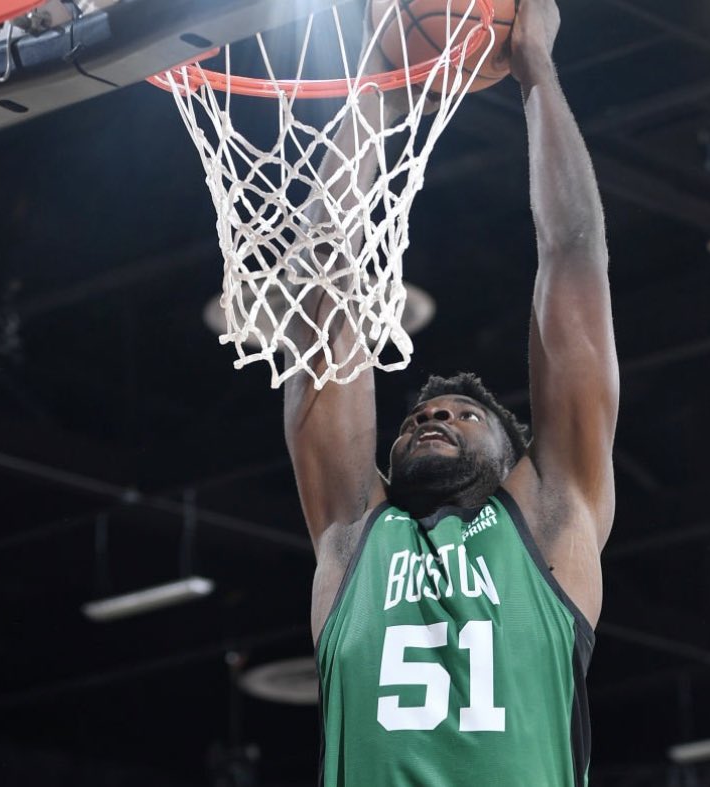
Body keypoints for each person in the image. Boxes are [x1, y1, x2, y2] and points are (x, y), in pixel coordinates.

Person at [283, 0, 618, 783]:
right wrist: (369, 93)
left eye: (465, 415)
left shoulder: (551, 516)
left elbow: (573, 253)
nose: (432, 416)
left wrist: (537, 68)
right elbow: (321, 292)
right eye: (422, 415)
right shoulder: (350, 533)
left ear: (515, 460)